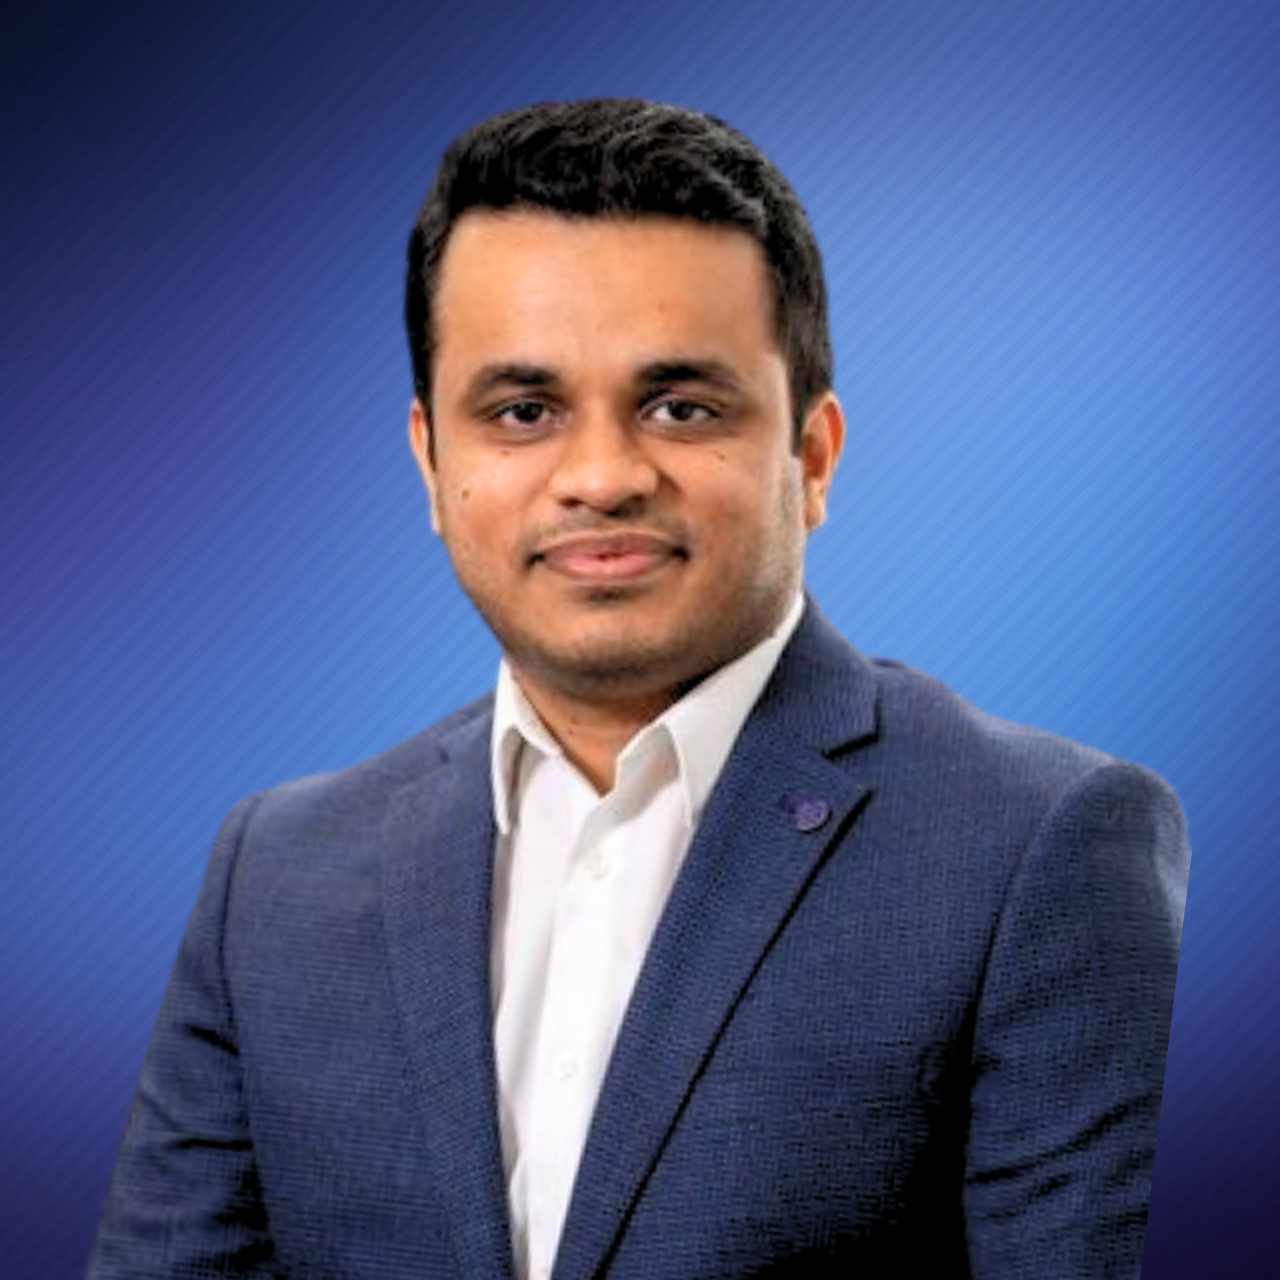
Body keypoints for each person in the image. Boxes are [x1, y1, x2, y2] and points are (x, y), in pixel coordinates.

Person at [87, 99, 1189, 1280]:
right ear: (431, 460)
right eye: (522, 411)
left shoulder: (1039, 848)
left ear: (809, 456)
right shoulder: (274, 875)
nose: (602, 475)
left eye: (680, 406)